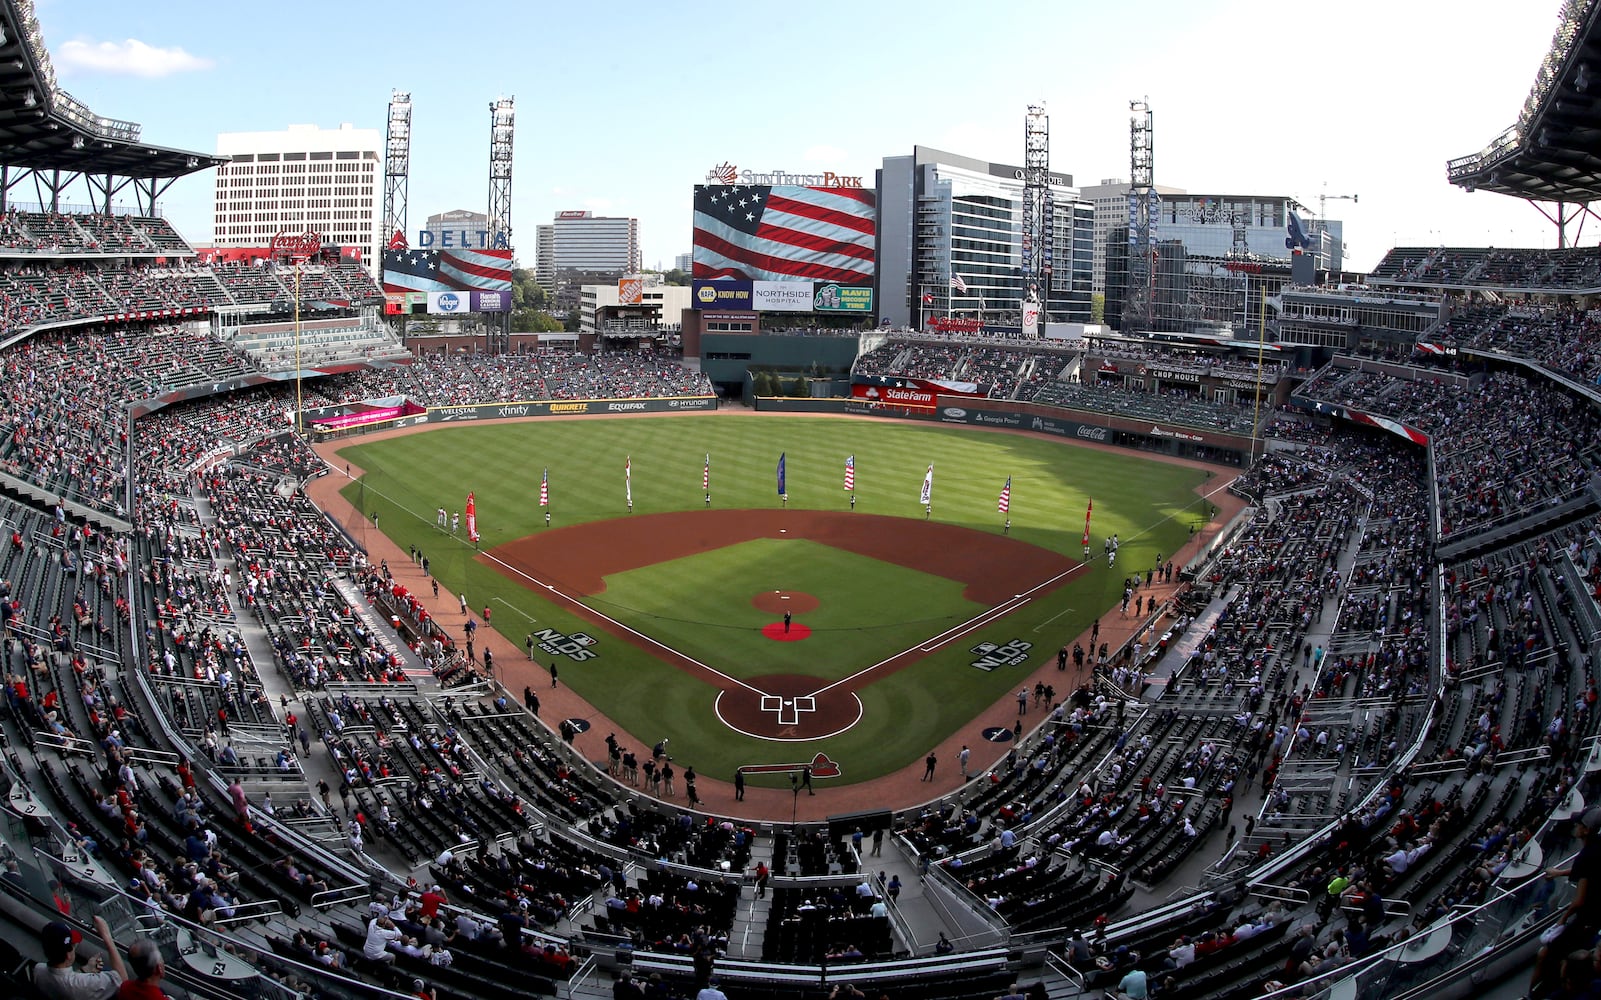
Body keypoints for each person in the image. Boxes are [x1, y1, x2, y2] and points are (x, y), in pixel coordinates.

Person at [34, 916, 127, 1000]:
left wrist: (85, 969)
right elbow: (123, 982)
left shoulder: (38, 970)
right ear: (68, 955)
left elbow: (63, 979)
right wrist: (107, 937)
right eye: (74, 946)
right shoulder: (85, 984)